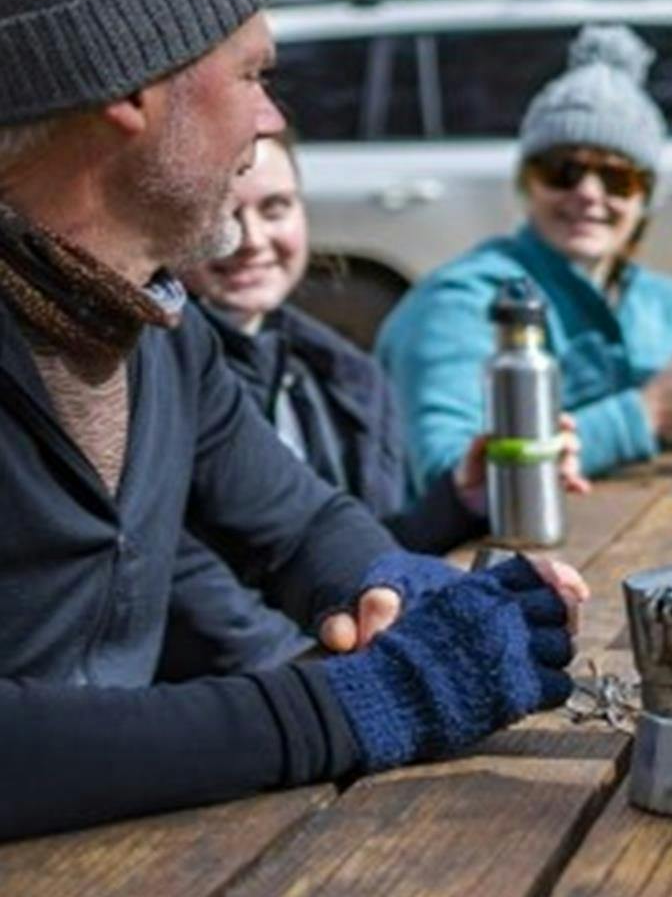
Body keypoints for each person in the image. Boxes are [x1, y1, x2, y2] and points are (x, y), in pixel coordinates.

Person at [0, 0, 616, 897]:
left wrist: (439, 598)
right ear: (133, 86)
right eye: (254, 72)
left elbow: (299, 529)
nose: (274, 117)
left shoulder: (150, 331)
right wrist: (356, 706)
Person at [162, 130, 591, 678]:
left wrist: (460, 502)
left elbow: (358, 560)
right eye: (225, 214)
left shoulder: (338, 371)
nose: (251, 239)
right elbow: (208, 609)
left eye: (275, 208)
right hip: (262, 697)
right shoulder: (164, 378)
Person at [377, 25, 672, 489]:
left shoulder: (662, 303)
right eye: (563, 171)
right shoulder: (460, 303)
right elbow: (449, 474)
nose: (588, 195)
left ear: (644, 198)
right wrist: (642, 416)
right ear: (526, 184)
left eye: (616, 179)